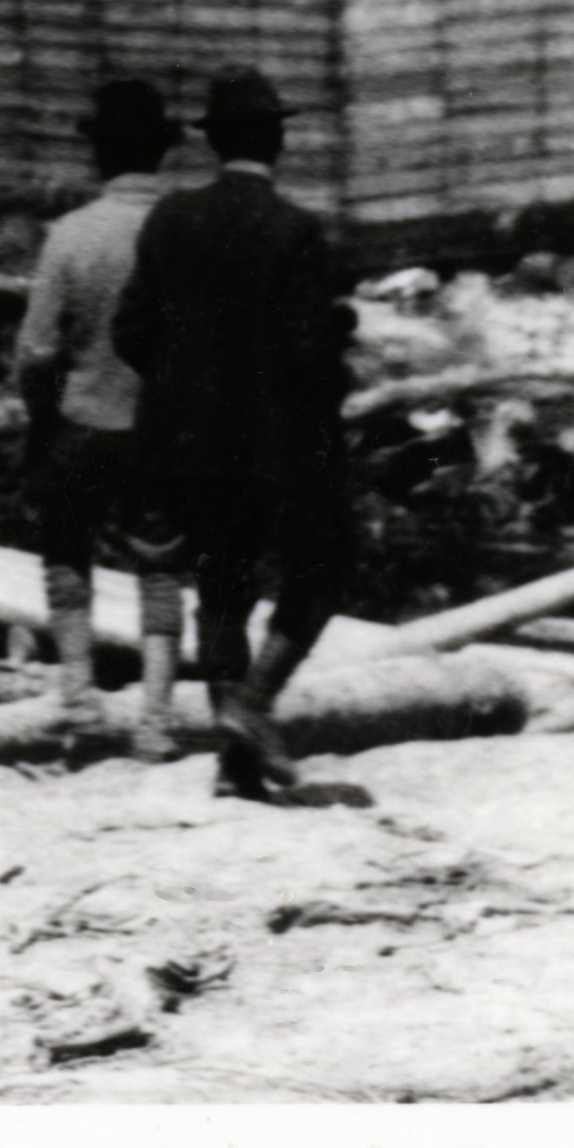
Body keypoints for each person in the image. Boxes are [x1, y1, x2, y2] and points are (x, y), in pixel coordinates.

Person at [115, 64, 354, 802]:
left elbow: (131, 330)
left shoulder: (170, 219)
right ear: (276, 141)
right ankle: (254, 703)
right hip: (271, 443)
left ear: (215, 144)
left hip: (182, 443)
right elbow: (311, 353)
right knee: (328, 563)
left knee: (221, 583)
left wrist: (184, 389)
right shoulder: (295, 230)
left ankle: (236, 763)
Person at [8, 74, 194, 754]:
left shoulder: (71, 236)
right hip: (162, 426)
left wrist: (41, 422)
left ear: (99, 157)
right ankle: (155, 719)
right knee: (163, 564)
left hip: (84, 417)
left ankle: (81, 703)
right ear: (163, 156)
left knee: (66, 551)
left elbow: (36, 350)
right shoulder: (189, 234)